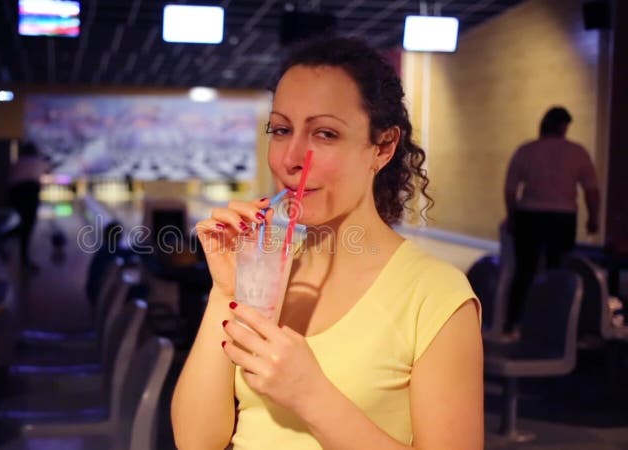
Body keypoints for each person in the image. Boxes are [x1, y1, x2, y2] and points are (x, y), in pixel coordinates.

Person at [171, 36, 483, 449]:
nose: (292, 157)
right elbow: (196, 441)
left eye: (325, 134)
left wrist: (310, 396)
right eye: (281, 130)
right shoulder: (266, 274)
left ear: (383, 147)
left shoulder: (436, 295)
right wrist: (225, 291)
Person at [504, 106, 600, 332]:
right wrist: (593, 218)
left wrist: (513, 216)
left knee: (524, 271)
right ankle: (553, 325)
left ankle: (514, 323)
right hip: (563, 218)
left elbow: (510, 190)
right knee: (557, 272)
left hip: (530, 217)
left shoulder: (526, 151)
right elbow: (591, 190)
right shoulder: (577, 152)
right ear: (564, 126)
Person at [9, 141, 49, 270]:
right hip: (29, 193)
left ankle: (1, 239)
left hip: (14, 194)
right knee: (27, 226)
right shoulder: (38, 161)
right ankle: (24, 261)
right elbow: (48, 168)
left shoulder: (18, 162)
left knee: (23, 225)